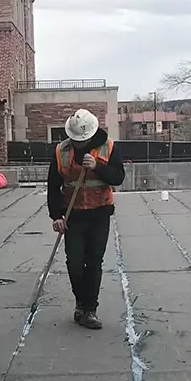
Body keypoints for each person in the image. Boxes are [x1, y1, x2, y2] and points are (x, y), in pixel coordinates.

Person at [47, 108, 125, 329]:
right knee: (74, 262)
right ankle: (80, 302)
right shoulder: (61, 152)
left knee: (94, 263)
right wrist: (56, 216)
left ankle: (89, 309)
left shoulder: (108, 148)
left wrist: (98, 167)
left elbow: (118, 177)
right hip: (74, 215)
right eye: (75, 140)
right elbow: (53, 185)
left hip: (100, 213)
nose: (78, 144)